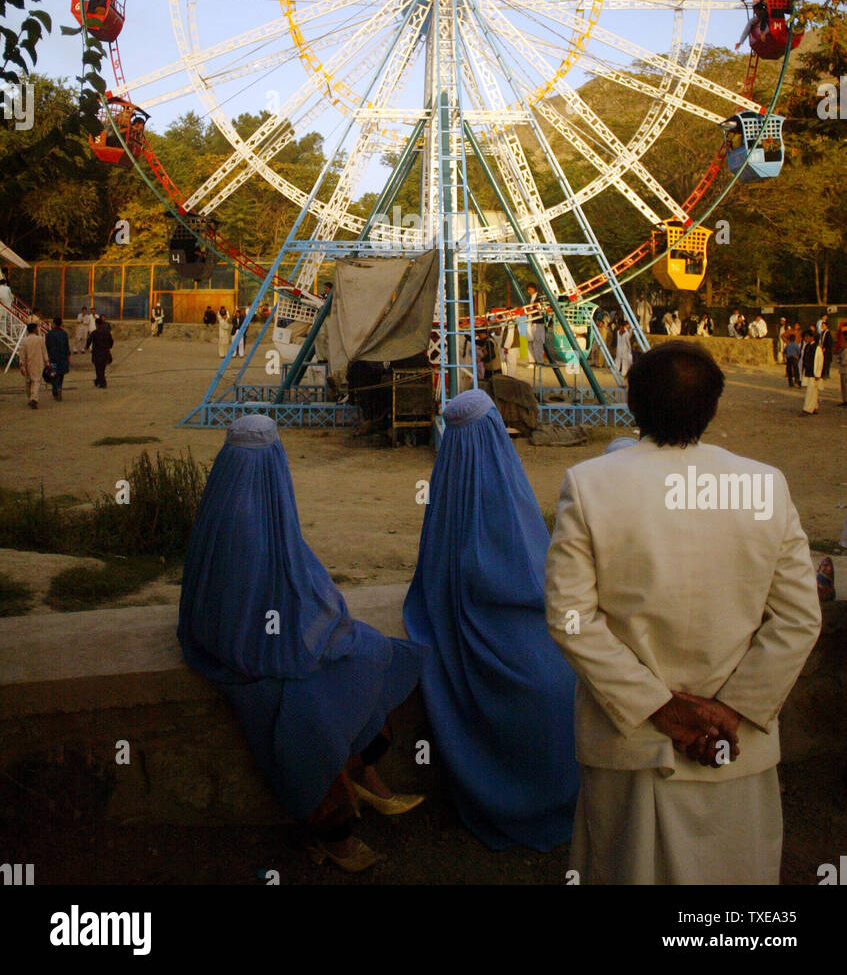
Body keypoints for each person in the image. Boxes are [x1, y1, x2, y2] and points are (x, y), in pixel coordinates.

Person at [545, 341, 821, 885]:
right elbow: (798, 618)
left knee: (627, 864)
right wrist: (734, 709)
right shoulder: (764, 485)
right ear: (714, 407)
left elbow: (569, 616)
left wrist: (658, 707)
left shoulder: (591, 485)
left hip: (632, 743)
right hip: (734, 746)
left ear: (632, 402)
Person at [178, 415, 424, 873]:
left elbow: (286, 585)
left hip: (245, 643)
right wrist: (319, 627)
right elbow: (273, 613)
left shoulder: (225, 499)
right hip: (252, 659)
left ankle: (364, 776)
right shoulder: (252, 518)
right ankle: (338, 825)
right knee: (335, 688)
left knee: (357, 654)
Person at [403, 389, 579, 851]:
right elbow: (528, 577)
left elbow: (435, 579)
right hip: (518, 634)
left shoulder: (447, 491)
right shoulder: (506, 486)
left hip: (471, 632)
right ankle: (548, 802)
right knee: (561, 684)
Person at [18, 321, 49, 409]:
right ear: (35, 330)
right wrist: (47, 362)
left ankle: (30, 398)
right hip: (38, 363)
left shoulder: (24, 340)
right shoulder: (40, 339)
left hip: (27, 363)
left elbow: (22, 353)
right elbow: (44, 352)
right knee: (36, 381)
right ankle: (34, 398)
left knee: (28, 382)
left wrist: (21, 364)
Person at [45, 316, 71, 402]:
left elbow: (47, 346)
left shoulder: (49, 334)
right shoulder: (64, 334)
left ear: (54, 323)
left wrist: (46, 358)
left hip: (53, 357)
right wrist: (68, 356)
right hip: (62, 357)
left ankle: (55, 389)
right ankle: (59, 388)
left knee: (53, 374)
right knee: (61, 374)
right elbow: (67, 346)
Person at [86, 315, 113, 388]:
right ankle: (99, 381)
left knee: (98, 369)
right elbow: (111, 341)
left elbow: (89, 341)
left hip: (97, 353)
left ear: (96, 324)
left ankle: (102, 382)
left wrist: (87, 347)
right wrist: (109, 347)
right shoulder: (107, 332)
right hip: (105, 352)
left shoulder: (95, 332)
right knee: (102, 368)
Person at [801, 330, 824, 415]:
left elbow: (820, 361)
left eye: (807, 337)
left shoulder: (817, 348)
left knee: (810, 391)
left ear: (812, 337)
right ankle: (814, 406)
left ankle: (807, 409)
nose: (806, 338)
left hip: (814, 373)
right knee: (813, 391)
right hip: (808, 371)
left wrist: (818, 373)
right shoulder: (806, 346)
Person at [835, 321, 847, 406]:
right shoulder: (843, 349)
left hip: (845, 368)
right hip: (843, 369)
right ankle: (845, 400)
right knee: (843, 386)